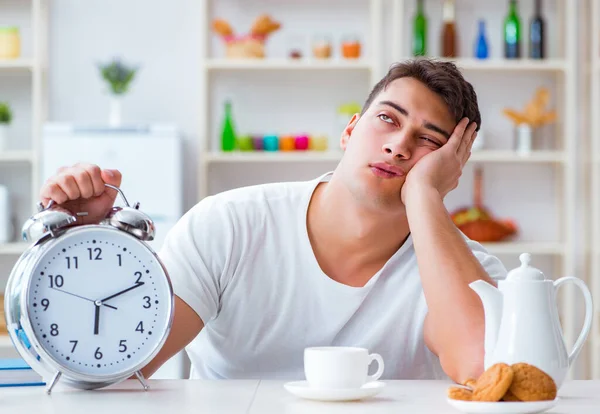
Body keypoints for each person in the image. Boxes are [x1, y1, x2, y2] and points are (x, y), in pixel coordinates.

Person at [40, 58, 506, 385]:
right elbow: (117, 368)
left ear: (451, 168)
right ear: (349, 130)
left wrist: (424, 197)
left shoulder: (468, 270)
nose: (399, 146)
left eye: (428, 140)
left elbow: (486, 371)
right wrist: (83, 248)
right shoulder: (227, 227)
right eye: (387, 119)